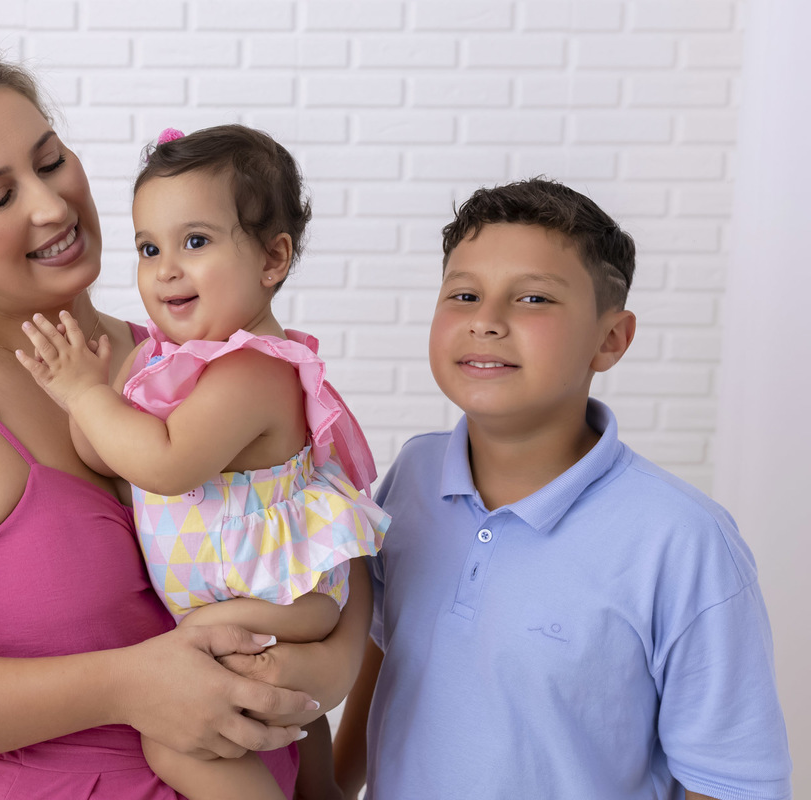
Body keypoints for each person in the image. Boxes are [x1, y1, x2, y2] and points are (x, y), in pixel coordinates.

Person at [0, 40, 375, 800]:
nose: (50, 206)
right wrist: (122, 686)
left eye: (49, 162)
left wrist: (328, 663)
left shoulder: (190, 364)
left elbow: (319, 525)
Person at [332, 178, 793, 800]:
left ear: (611, 339)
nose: (486, 321)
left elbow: (728, 784)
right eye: (465, 293)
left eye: (533, 299)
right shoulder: (414, 474)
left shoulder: (685, 542)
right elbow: (391, 654)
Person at [17, 124, 389, 800]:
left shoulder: (251, 372)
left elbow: (164, 466)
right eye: (148, 247)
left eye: (196, 242)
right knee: (290, 725)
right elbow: (97, 450)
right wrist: (99, 401)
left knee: (171, 733)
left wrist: (84, 393)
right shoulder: (163, 360)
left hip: (282, 595)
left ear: (273, 260)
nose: (166, 269)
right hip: (242, 594)